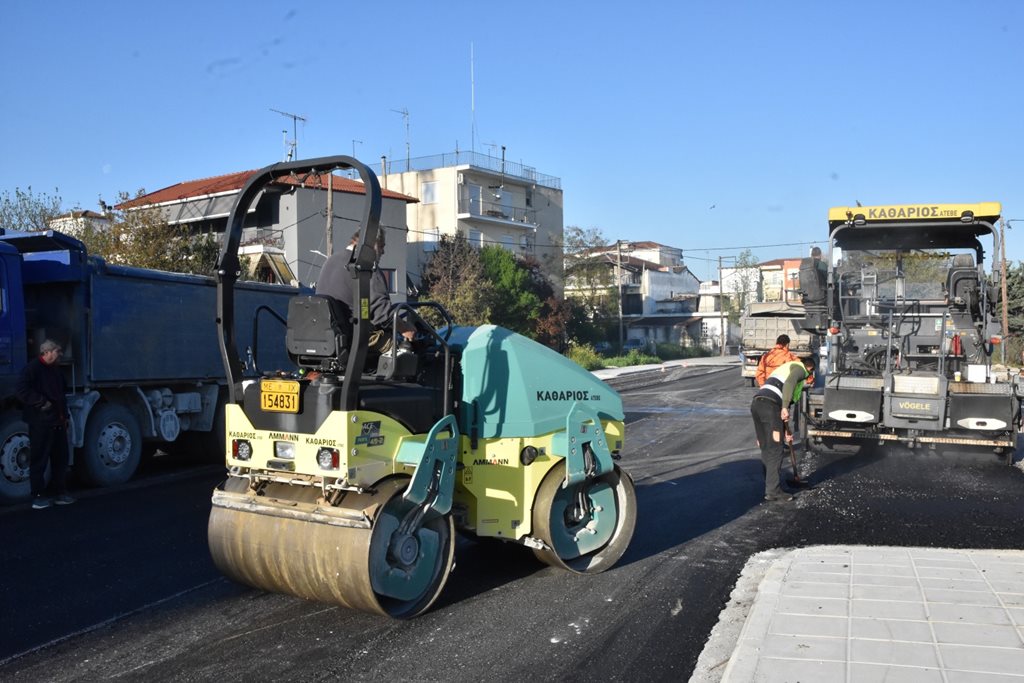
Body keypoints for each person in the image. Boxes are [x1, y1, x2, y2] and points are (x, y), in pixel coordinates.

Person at [315, 230, 415, 355]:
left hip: (328, 336)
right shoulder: (365, 266)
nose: (383, 251)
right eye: (381, 246)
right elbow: (382, 313)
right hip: (354, 338)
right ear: (372, 243)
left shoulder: (331, 261)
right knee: (408, 351)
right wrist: (405, 328)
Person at [16, 339, 74, 509]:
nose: (60, 354)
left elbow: (62, 395)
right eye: (57, 351)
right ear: (47, 352)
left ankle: (59, 493)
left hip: (58, 421)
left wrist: (66, 416)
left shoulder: (56, 371)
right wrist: (41, 402)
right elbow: (21, 390)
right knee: (39, 459)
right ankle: (38, 496)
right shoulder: (32, 369)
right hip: (40, 422)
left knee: (61, 458)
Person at [750, 356, 816, 503]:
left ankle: (770, 485)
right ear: (809, 368)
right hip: (770, 406)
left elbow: (782, 405)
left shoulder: (784, 368)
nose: (807, 378)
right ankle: (773, 491)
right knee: (776, 449)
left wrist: (786, 431)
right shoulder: (800, 369)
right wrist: (785, 407)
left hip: (757, 404)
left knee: (767, 447)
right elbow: (789, 384)